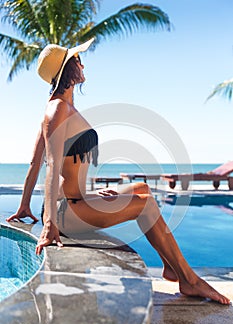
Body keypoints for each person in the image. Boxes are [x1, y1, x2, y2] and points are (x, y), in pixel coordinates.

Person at [7, 38, 230, 305]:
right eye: (77, 60)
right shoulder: (56, 110)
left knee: (142, 190)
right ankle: (190, 280)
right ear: (67, 69)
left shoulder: (64, 109)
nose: (82, 63)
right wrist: (49, 224)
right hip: (66, 212)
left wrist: (24, 207)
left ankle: (170, 266)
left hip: (79, 201)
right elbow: (49, 166)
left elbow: (35, 164)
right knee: (145, 205)